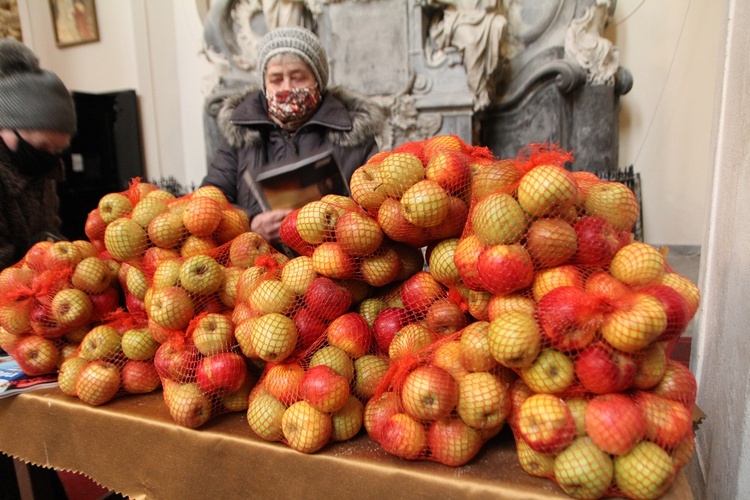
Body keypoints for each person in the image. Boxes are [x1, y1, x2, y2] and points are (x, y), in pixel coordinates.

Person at [201, 26, 385, 245]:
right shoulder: (239, 132)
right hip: (255, 267)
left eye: (297, 77)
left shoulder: (355, 133)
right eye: (276, 80)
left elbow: (377, 207)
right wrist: (250, 224)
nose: (287, 88)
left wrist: (334, 224)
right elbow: (210, 204)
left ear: (318, 81)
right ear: (264, 85)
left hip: (334, 265)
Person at [0, 38, 76, 270]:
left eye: (57, 149)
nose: (50, 157)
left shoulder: (44, 169)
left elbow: (50, 230)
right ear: (7, 129)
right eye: (43, 147)